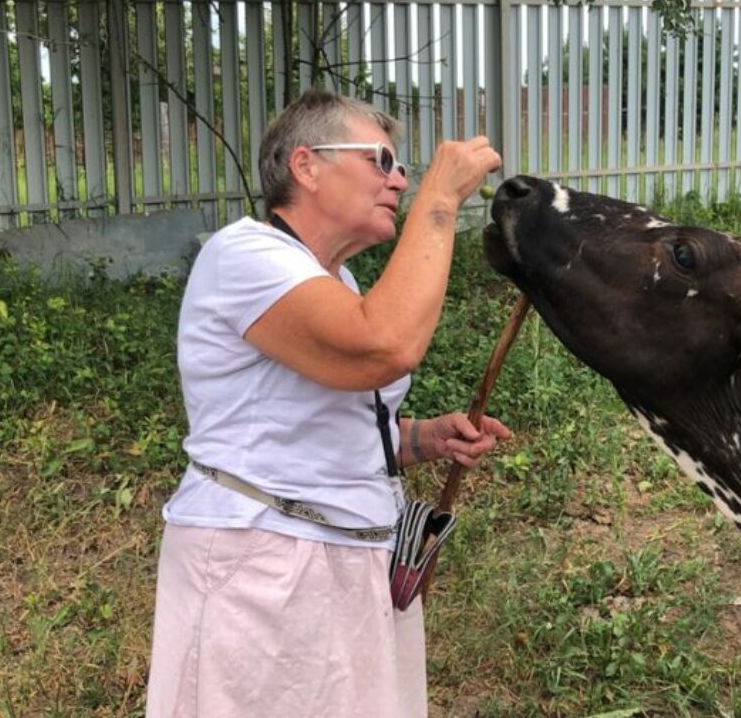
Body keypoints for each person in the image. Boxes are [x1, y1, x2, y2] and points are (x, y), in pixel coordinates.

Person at [145, 90, 510, 717]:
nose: (398, 180)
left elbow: (319, 422)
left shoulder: (332, 279)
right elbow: (383, 345)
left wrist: (422, 439)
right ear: (306, 166)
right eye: (381, 160)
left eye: (402, 169)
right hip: (265, 564)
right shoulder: (244, 256)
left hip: (347, 556)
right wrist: (440, 197)